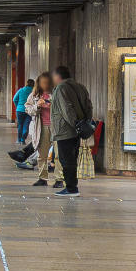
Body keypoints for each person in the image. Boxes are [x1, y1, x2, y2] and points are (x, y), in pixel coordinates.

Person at [51, 65, 93, 197]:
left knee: (66, 160)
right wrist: (84, 123)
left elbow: (66, 109)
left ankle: (71, 188)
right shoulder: (80, 86)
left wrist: (74, 123)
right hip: (78, 129)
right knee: (72, 158)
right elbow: (89, 105)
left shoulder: (61, 88)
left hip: (65, 130)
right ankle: (72, 186)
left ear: (58, 76)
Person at [25, 72, 60, 188]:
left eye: (47, 82)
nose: (45, 85)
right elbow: (28, 109)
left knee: (58, 155)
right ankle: (42, 178)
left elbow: (65, 109)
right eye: (42, 82)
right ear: (38, 83)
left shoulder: (57, 93)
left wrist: (53, 106)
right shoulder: (34, 95)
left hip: (57, 127)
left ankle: (59, 179)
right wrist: (37, 106)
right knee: (42, 154)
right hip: (42, 127)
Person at [13, 78, 35, 144]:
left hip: (20, 110)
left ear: (26, 83)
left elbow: (14, 99)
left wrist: (18, 106)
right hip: (29, 110)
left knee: (20, 125)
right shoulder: (33, 92)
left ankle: (19, 140)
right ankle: (23, 139)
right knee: (26, 124)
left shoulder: (21, 90)